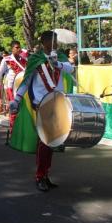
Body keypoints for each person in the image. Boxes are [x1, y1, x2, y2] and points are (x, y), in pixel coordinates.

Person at [9, 31, 74, 192]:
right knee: (44, 141)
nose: (56, 44)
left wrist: (57, 63)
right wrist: (17, 99)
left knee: (51, 142)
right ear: (45, 42)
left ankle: (45, 174)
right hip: (41, 104)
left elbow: (71, 69)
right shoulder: (35, 59)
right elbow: (26, 81)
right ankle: (40, 176)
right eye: (53, 41)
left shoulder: (59, 57)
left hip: (58, 103)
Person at [0, 41, 27, 130]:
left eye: (19, 47)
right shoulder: (7, 59)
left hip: (21, 88)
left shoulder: (23, 60)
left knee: (22, 109)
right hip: (11, 88)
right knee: (13, 109)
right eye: (16, 47)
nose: (19, 49)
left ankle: (19, 129)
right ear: (12, 49)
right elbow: (0, 73)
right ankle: (13, 130)